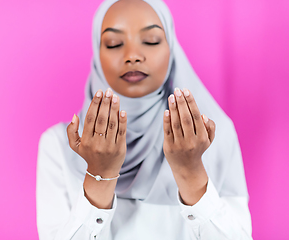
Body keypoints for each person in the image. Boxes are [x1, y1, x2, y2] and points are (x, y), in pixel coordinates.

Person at [36, 0, 253, 239]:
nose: (133, 56)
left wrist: (191, 172)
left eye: (151, 40)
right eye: (114, 43)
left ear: (171, 49)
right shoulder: (59, 145)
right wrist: (99, 175)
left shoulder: (209, 136)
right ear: (97, 54)